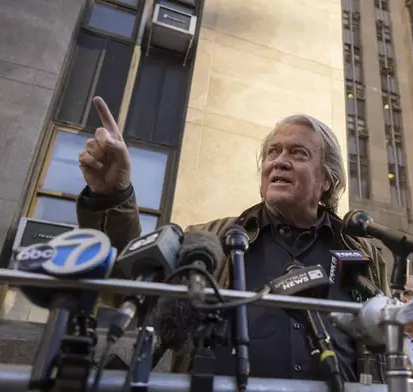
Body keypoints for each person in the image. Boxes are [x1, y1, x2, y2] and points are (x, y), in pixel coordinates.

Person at [76, 96, 391, 382]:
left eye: (298, 153)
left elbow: (386, 349)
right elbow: (127, 286)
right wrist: (112, 196)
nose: (279, 161)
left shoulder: (362, 251)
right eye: (273, 152)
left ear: (327, 180)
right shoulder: (209, 239)